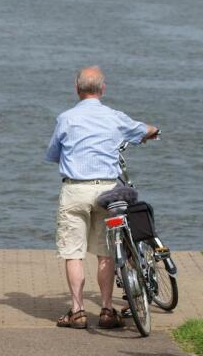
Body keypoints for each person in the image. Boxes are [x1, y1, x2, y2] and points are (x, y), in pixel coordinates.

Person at [45, 66, 158, 329]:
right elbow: (145, 130)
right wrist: (155, 131)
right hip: (107, 191)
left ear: (77, 89)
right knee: (105, 254)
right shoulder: (114, 117)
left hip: (74, 189)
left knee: (73, 253)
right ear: (103, 89)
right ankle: (107, 310)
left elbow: (52, 155)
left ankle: (78, 311)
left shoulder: (66, 118)